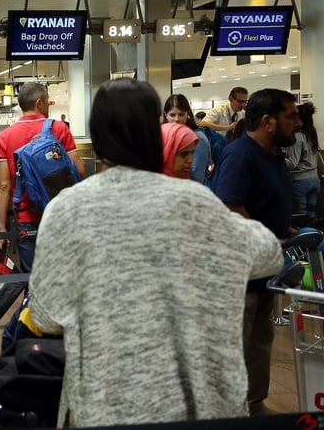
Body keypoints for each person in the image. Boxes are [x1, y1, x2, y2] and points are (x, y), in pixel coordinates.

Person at [28, 78, 283, 427]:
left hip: (108, 404)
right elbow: (269, 252)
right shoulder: (196, 202)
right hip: (201, 404)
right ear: (155, 132)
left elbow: (46, 314)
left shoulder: (68, 210)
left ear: (99, 140)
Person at [213, 88, 301, 416]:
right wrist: (266, 240)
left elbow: (264, 204)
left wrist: (292, 233)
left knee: (261, 341)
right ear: (268, 122)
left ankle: (253, 403)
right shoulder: (241, 154)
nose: (297, 123)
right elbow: (231, 205)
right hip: (241, 275)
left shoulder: (274, 154)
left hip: (267, 271)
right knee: (236, 344)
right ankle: (229, 409)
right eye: (290, 116)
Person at [0, 82, 85, 273]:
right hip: (58, 212)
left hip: (25, 215)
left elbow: (4, 185)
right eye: (47, 103)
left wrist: (2, 226)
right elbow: (79, 170)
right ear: (39, 103)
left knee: (32, 276)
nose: (48, 106)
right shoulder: (58, 129)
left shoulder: (5, 136)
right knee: (63, 273)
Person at [285, 102, 319, 218]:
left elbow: (292, 164)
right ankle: (313, 235)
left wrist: (276, 156)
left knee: (300, 218)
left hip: (300, 182)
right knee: (311, 216)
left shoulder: (298, 136)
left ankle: (304, 235)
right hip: (315, 180)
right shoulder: (312, 134)